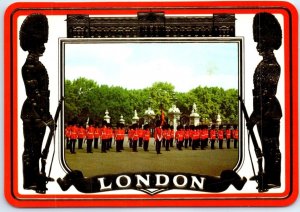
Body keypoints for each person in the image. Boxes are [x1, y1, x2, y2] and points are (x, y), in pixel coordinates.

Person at [20, 14, 55, 191]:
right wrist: (45, 116)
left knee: (36, 149)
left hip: (38, 112)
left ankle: (35, 176)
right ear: (35, 45)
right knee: (32, 151)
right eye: (41, 44)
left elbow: (43, 95)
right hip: (33, 113)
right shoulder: (30, 66)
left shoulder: (35, 64)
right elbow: (34, 95)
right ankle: (30, 181)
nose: (44, 47)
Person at [247, 12, 283, 189]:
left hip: (268, 111)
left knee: (271, 146)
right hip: (261, 111)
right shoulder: (263, 64)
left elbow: (267, 95)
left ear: (268, 44)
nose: (257, 46)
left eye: (260, 42)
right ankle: (266, 174)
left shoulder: (272, 66)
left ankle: (274, 179)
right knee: (264, 144)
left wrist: (255, 115)